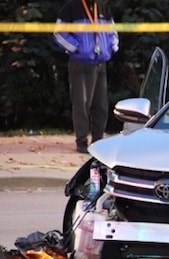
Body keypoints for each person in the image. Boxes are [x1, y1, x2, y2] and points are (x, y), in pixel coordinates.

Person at [53, 0, 119, 154]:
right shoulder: (70, 7)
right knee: (81, 103)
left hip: (100, 61)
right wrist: (76, 48)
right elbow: (58, 32)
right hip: (80, 63)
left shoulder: (102, 6)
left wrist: (111, 47)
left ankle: (98, 141)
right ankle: (82, 142)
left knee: (101, 105)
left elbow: (112, 30)